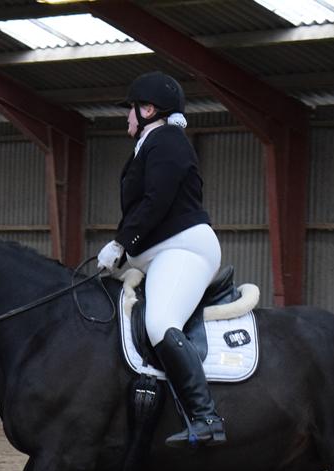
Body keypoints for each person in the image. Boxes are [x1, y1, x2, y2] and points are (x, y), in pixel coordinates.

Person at [96, 72, 226, 448]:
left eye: (131, 110)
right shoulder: (151, 143)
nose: (127, 117)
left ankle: (206, 417)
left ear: (148, 109)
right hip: (158, 252)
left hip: (184, 249)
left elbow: (158, 200)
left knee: (159, 322)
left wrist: (121, 243)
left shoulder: (168, 141)